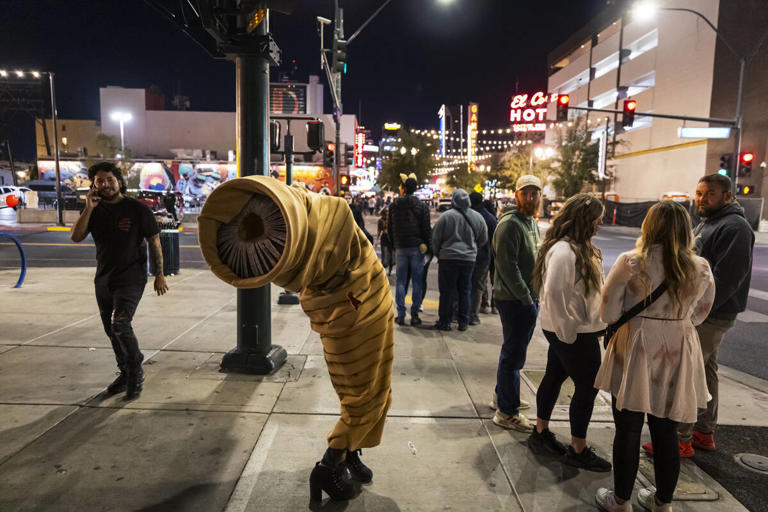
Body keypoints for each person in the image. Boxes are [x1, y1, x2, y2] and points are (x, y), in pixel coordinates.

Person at [594, 200, 714, 512]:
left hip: (636, 347)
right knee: (666, 431)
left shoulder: (631, 262)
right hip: (677, 349)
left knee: (628, 429)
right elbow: (701, 314)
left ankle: (621, 501)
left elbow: (607, 313)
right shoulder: (700, 267)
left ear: (649, 226)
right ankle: (663, 503)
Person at [643, 174, 754, 458]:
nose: (701, 199)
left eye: (710, 194)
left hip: (711, 314)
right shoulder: (710, 221)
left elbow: (727, 279)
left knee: (687, 373)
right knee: (706, 370)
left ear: (728, 196)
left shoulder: (735, 227)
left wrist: (693, 310)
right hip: (704, 312)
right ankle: (704, 431)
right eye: (699, 193)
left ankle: (680, 439)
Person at [71, 162, 169, 400]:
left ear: (119, 182)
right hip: (104, 279)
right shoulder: (94, 211)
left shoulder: (137, 210)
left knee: (120, 324)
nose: (106, 185)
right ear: (94, 186)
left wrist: (159, 274)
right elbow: (76, 237)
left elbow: (154, 241)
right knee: (110, 330)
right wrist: (88, 208)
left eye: (110, 180)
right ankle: (124, 372)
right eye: (100, 182)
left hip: (131, 277)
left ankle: (135, 369)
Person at [529, 194, 611, 471]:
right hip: (573, 332)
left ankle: (540, 432)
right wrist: (569, 331)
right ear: (584, 220)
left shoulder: (577, 248)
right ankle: (578, 448)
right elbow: (554, 293)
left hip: (571, 330)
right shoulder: (565, 251)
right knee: (588, 387)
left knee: (555, 375)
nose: (599, 224)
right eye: (597, 219)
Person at [490, 175, 541, 432]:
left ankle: (504, 395)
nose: (531, 198)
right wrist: (526, 298)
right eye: (526, 193)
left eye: (535, 193)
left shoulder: (530, 221)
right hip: (515, 300)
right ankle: (506, 412)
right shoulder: (510, 225)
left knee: (512, 351)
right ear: (516, 194)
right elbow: (508, 268)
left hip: (527, 297)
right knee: (514, 356)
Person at [431, 188, 488, 331]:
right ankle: (463, 321)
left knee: (446, 291)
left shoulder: (446, 216)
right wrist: (472, 249)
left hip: (448, 258)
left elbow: (436, 238)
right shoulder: (477, 217)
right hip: (468, 260)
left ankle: (445, 321)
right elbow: (483, 238)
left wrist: (438, 253)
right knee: (465, 290)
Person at [388, 174, 432, 326]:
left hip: (401, 247)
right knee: (417, 282)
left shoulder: (394, 205)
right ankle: (414, 314)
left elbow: (390, 228)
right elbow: (426, 229)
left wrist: (394, 244)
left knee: (400, 281)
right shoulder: (422, 206)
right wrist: (427, 245)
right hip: (417, 248)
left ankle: (400, 314)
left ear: (404, 188)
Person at [469, 192, 497, 325]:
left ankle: (471, 311)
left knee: (469, 284)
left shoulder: (469, 216)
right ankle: (478, 312)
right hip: (486, 256)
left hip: (471, 256)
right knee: (480, 285)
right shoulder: (491, 218)